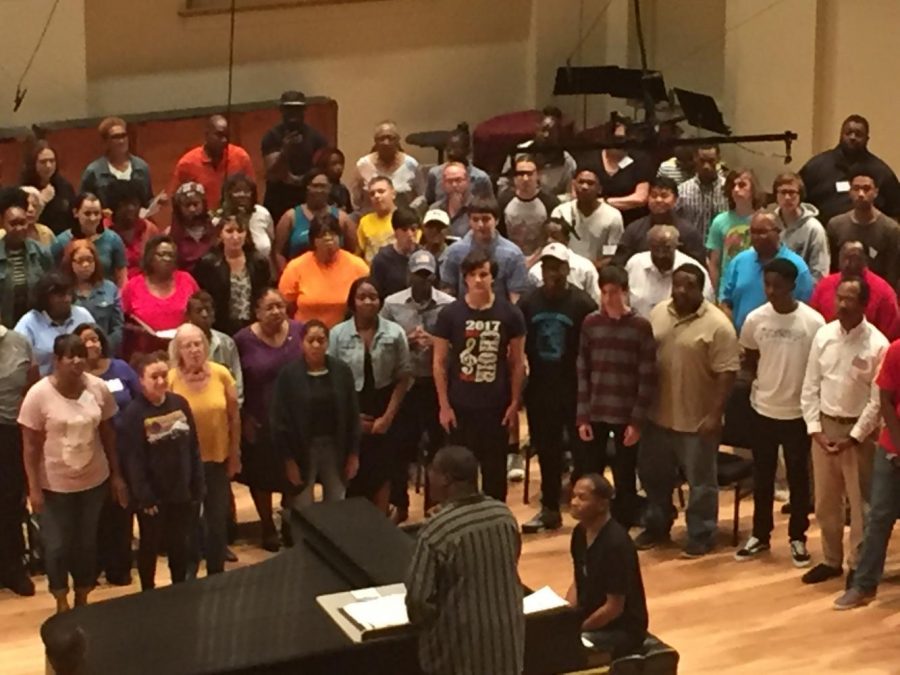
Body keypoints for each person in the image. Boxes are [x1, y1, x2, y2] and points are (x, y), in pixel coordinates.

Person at [636, 263, 739, 557]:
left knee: (701, 484)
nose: (681, 291)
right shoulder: (658, 313)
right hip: (658, 416)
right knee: (654, 478)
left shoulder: (718, 325)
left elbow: (727, 374)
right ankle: (657, 526)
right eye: (677, 285)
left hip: (697, 421)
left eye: (688, 286)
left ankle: (701, 534)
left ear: (701, 289)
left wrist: (715, 414)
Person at [18, 334, 126, 613]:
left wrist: (116, 475)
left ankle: (82, 596)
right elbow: (30, 447)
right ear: (57, 360)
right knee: (56, 546)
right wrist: (34, 488)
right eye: (70, 356)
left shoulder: (98, 388)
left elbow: (108, 434)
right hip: (54, 485)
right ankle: (60, 598)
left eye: (81, 354)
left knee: (86, 543)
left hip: (93, 481)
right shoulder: (38, 395)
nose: (77, 361)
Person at [734, 259, 824, 566]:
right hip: (763, 410)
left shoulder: (813, 323)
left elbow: (817, 369)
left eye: (777, 285)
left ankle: (798, 537)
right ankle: (760, 534)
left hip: (797, 413)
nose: (771, 291)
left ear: (792, 286)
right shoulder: (755, 319)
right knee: (762, 475)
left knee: (798, 479)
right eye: (767, 284)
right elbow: (750, 359)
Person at [406, 445, 524, 675]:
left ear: (446, 479)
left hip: (458, 655)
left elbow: (419, 601)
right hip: (508, 646)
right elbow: (512, 561)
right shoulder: (504, 515)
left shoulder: (437, 530)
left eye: (432, 470)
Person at [801, 276, 888, 584]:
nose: (842, 304)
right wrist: (815, 430)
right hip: (825, 429)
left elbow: (878, 401)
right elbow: (811, 385)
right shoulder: (823, 335)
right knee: (825, 502)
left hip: (859, 435)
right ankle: (831, 559)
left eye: (849, 299)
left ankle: (857, 565)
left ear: (864, 304)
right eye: (839, 297)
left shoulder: (878, 344)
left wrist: (854, 437)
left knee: (860, 504)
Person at [433, 250, 526, 503]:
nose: (477, 280)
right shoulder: (450, 314)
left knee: (495, 474)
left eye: (483, 274)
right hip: (460, 407)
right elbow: (439, 362)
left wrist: (514, 403)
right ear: (464, 279)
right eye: (472, 275)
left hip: (495, 407)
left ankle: (496, 524)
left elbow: (517, 363)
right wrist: (444, 406)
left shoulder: (510, 314)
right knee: (461, 474)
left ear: (492, 277)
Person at [519, 243, 597, 532]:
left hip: (575, 390)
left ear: (567, 269)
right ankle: (550, 509)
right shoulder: (528, 303)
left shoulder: (583, 304)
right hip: (540, 389)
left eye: (557, 266)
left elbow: (591, 350)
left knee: (583, 454)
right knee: (548, 453)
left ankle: (589, 512)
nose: (552, 272)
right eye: (547, 266)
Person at [575, 265, 656, 528]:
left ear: (626, 292)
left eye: (615, 292)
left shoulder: (640, 326)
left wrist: (637, 422)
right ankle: (593, 518)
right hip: (596, 409)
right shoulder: (591, 323)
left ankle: (622, 523)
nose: (609, 298)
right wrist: (583, 415)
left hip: (625, 411)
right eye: (605, 292)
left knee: (624, 474)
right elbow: (583, 369)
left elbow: (647, 377)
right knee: (592, 471)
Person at [120, 351, 204, 591]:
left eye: (163, 375)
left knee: (180, 545)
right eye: (153, 376)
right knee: (150, 545)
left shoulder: (180, 404)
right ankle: (148, 590)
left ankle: (179, 588)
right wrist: (144, 496)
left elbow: (193, 446)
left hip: (181, 491)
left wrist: (197, 483)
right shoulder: (134, 413)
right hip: (153, 498)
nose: (160, 381)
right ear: (141, 381)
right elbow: (133, 459)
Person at [381, 250, 454, 519]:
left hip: (436, 385)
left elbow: (455, 344)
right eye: (417, 275)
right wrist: (406, 342)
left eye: (427, 275)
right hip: (406, 384)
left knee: (438, 448)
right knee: (400, 446)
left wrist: (434, 342)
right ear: (408, 275)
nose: (422, 281)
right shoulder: (391, 304)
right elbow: (382, 342)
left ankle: (434, 506)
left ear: (434, 276)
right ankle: (399, 503)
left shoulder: (449, 304)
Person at [329, 278, 412, 512]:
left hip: (386, 406)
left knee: (385, 469)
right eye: (362, 297)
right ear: (352, 302)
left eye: (373, 297)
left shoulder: (395, 333)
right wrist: (351, 419)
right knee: (353, 469)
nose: (368, 301)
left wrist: (387, 417)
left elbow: (404, 376)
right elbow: (331, 380)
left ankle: (382, 521)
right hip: (350, 407)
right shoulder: (337, 334)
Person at [167, 323, 240, 577]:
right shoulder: (171, 378)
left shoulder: (222, 374)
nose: (194, 350)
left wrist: (235, 454)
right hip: (185, 466)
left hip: (217, 459)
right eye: (187, 345)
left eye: (198, 343)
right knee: (188, 523)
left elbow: (234, 417)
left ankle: (216, 572)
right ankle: (189, 574)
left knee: (217, 521)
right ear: (178, 350)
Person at [234, 288, 305, 549]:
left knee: (293, 476)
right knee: (261, 477)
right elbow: (237, 382)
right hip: (259, 420)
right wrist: (244, 418)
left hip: (295, 420)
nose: (276, 312)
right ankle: (266, 525)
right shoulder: (242, 340)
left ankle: (287, 520)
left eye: (280, 306)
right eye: (270, 307)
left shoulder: (299, 331)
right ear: (257, 312)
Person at [833, 336, 900, 609]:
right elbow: (885, 400)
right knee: (879, 516)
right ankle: (864, 585)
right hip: (893, 447)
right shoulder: (896, 350)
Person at [73, 323, 140, 586]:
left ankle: (120, 566)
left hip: (125, 451)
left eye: (95, 338)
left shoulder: (121, 368)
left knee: (122, 509)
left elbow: (138, 402)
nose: (92, 344)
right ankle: (92, 567)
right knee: (94, 513)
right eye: (85, 340)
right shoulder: (76, 377)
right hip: (90, 453)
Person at [270, 319, 360, 510]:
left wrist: (353, 453)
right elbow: (279, 421)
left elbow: (352, 414)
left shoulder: (341, 371)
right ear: (301, 343)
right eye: (311, 340)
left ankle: (333, 539)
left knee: (337, 502)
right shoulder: (288, 375)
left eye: (321, 340)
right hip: (302, 449)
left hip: (335, 447)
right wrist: (288, 461)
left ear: (328, 342)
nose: (316, 345)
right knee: (303, 505)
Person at [568, 474, 649, 659]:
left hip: (621, 628)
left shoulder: (616, 544)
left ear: (602, 504)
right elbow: (577, 579)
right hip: (592, 615)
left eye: (582, 497)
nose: (573, 502)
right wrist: (565, 615)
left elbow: (614, 607)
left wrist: (577, 629)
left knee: (568, 651)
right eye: (573, 496)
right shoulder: (579, 534)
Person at [720, 211, 815, 333]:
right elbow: (725, 302)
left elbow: (804, 309)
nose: (756, 237)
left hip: (781, 340)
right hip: (741, 340)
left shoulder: (796, 267)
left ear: (778, 232)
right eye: (753, 232)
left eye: (762, 232)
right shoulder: (739, 261)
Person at [800, 114, 900, 226]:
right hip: (823, 237)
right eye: (848, 133)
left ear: (867, 139)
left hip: (869, 238)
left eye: (858, 134)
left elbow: (895, 211)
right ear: (841, 135)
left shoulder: (881, 172)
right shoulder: (817, 166)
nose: (853, 137)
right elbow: (797, 201)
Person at [0, 317, 38, 596]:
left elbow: (32, 383)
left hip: (10, 431)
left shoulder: (18, 342)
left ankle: (13, 568)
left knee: (11, 503)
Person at [278, 213, 369, 328]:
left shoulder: (358, 266)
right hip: (306, 334)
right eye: (322, 235)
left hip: (345, 335)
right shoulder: (296, 266)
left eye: (333, 234)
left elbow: (368, 302)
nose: (328, 238)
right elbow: (285, 306)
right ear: (313, 240)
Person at [120, 235, 199, 359]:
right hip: (145, 354)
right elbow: (121, 321)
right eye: (161, 254)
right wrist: (140, 332)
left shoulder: (187, 280)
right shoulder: (133, 285)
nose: (166, 259)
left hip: (184, 352)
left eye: (171, 255)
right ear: (150, 257)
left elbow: (199, 311)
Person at [192, 214, 272, 336]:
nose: (236, 236)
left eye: (240, 231)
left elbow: (263, 295)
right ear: (220, 234)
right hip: (221, 328)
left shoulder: (259, 262)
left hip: (253, 327)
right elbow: (204, 299)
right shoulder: (208, 264)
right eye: (229, 231)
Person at [440, 196, 531, 302]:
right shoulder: (454, 252)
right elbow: (447, 292)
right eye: (475, 219)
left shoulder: (513, 254)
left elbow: (516, 297)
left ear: (496, 220)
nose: (480, 225)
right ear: (469, 221)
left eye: (485, 219)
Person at [261, 90, 328, 225]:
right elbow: (273, 173)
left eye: (297, 109)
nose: (293, 114)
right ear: (281, 110)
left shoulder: (317, 138)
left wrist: (302, 180)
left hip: (307, 197)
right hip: (278, 197)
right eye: (289, 109)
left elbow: (322, 171)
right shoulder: (272, 137)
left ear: (304, 110)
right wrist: (285, 150)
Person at [825, 172, 900, 290]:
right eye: (856, 189)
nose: (861, 194)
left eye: (866, 189)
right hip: (843, 292)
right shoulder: (835, 225)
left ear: (876, 192)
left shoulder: (890, 229)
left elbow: (892, 273)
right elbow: (832, 267)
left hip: (878, 292)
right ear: (850, 192)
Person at [809, 240, 898, 337]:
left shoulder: (883, 292)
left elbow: (892, 334)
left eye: (853, 258)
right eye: (844, 257)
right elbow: (814, 322)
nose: (847, 263)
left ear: (865, 260)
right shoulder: (824, 285)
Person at [625, 225, 714, 320]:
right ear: (649, 246)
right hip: (637, 331)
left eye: (667, 249)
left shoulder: (693, 271)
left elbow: (707, 307)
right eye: (656, 248)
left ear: (677, 246)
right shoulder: (634, 264)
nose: (661, 254)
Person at [14, 272, 95, 375]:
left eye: (69, 294)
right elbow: (19, 363)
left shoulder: (83, 315)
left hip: (84, 379)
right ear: (45, 298)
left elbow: (99, 349)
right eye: (60, 295)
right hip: (44, 384)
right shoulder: (28, 323)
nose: (67, 299)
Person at [613, 175, 705, 265]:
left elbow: (698, 267)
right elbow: (619, 263)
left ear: (675, 199)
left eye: (664, 196)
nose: (658, 200)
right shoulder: (634, 229)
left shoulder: (688, 231)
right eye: (653, 195)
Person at [273, 168, 353, 271]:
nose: (319, 190)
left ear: (329, 188)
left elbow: (354, 251)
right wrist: (286, 273)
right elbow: (278, 253)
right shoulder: (290, 217)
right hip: (299, 275)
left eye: (323, 186)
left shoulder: (342, 218)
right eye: (315, 186)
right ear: (307, 187)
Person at [169, 115, 254, 210]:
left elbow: (252, 192)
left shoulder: (240, 157)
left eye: (226, 136)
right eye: (219, 135)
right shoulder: (187, 163)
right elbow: (175, 200)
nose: (224, 140)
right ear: (206, 135)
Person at [550, 166, 623, 267]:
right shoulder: (560, 212)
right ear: (574, 185)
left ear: (599, 189)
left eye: (590, 183)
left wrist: (587, 270)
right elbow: (554, 248)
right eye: (581, 182)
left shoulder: (613, 217)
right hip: (564, 269)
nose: (584, 187)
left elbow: (610, 255)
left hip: (597, 270)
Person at [0, 188, 52, 328]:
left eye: (22, 223)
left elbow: (50, 290)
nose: (19, 228)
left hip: (36, 326)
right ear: (2, 223)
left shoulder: (41, 252)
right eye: (13, 224)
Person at [498, 107, 578, 199]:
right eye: (544, 130)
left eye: (552, 132)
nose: (546, 135)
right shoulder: (518, 152)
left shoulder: (567, 162)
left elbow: (570, 197)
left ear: (559, 134)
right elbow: (502, 189)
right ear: (537, 130)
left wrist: (547, 200)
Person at [706, 167, 764, 294]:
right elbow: (714, 263)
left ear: (753, 189)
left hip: (757, 289)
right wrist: (715, 294)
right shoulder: (719, 221)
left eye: (742, 185)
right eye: (733, 186)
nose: (736, 190)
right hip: (727, 290)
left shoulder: (764, 220)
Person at [52, 193, 127, 287]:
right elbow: (52, 274)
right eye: (87, 213)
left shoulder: (113, 239)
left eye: (96, 213)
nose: (93, 218)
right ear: (76, 213)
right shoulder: (61, 241)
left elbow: (122, 277)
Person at [63, 240, 124, 354]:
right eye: (80, 261)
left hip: (105, 351)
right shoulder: (63, 290)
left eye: (89, 260)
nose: (85, 265)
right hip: (74, 354)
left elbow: (117, 327)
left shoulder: (109, 288)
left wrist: (103, 347)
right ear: (70, 263)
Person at [80, 117, 154, 207]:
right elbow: (84, 204)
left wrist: (156, 203)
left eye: (124, 136)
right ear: (106, 141)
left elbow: (147, 200)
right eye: (116, 137)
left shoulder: (141, 167)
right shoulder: (94, 171)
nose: (121, 141)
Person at [184, 292, 244, 404]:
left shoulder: (227, 343)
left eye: (208, 310)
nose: (205, 314)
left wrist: (236, 406)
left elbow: (237, 381)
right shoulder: (179, 345)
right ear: (188, 316)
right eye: (199, 311)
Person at [498, 155, 560, 260]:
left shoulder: (550, 203)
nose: (525, 179)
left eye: (529, 174)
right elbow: (499, 236)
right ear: (514, 178)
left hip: (541, 260)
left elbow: (554, 239)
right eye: (520, 174)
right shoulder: (504, 200)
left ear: (537, 175)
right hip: (510, 257)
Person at [352, 121, 423, 213]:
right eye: (381, 138)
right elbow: (356, 201)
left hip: (402, 222)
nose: (386, 142)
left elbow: (421, 196)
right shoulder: (363, 165)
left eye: (390, 138)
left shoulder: (411, 165)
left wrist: (411, 214)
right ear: (375, 141)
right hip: (372, 220)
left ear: (397, 140)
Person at [772, 172, 830, 281]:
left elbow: (820, 270)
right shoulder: (770, 224)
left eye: (792, 192)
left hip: (802, 293)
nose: (787, 197)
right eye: (783, 192)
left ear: (800, 195)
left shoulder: (814, 228)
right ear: (776, 195)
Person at [529, 217, 600, 304]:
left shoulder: (585, 268)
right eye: (545, 237)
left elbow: (596, 301)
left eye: (554, 236)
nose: (549, 240)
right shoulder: (534, 272)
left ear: (567, 240)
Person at [597, 120, 653, 225]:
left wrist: (603, 203)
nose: (619, 143)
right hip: (596, 221)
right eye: (616, 139)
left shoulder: (641, 159)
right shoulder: (590, 159)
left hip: (631, 222)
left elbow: (640, 198)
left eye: (623, 139)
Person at [104, 179, 161, 280]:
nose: (131, 208)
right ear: (114, 206)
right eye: (125, 204)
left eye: (134, 204)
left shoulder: (150, 230)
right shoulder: (102, 231)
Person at [425, 123, 493, 204]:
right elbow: (429, 201)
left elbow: (489, 206)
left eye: (457, 149)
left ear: (468, 150)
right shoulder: (435, 174)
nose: (452, 153)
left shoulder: (481, 178)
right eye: (449, 148)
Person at [21, 139, 77, 235]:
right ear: (33, 164)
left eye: (52, 161)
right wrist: (41, 201)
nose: (48, 166)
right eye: (43, 162)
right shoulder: (23, 189)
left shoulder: (64, 186)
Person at [676, 145, 729, 242]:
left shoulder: (728, 189)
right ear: (695, 159)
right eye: (702, 161)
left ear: (718, 160)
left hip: (722, 249)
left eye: (711, 161)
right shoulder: (682, 191)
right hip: (691, 250)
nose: (706, 166)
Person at [218, 172, 274, 260]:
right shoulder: (218, 219)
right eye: (237, 191)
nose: (242, 195)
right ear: (228, 194)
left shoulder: (262, 213)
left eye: (247, 191)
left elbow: (272, 247)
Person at [371, 207, 421, 299]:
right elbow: (376, 291)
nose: (410, 234)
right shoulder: (382, 259)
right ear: (395, 231)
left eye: (413, 229)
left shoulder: (424, 256)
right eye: (404, 230)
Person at [170, 182, 216, 272]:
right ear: (179, 209)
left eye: (195, 204)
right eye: (187, 205)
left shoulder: (216, 229)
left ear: (203, 205)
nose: (192, 209)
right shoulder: (172, 236)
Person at [357, 176, 399, 264]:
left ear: (393, 194)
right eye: (372, 194)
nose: (376, 196)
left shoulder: (405, 217)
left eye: (381, 191)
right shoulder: (365, 221)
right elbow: (358, 254)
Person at [429, 162, 475, 238]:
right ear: (443, 184)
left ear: (467, 181)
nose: (454, 185)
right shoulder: (435, 209)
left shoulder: (478, 208)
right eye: (449, 181)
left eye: (458, 180)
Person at [314, 147, 353, 212]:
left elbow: (349, 212)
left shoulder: (343, 190)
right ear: (324, 167)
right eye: (334, 164)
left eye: (341, 163)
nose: (339, 167)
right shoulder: (318, 190)